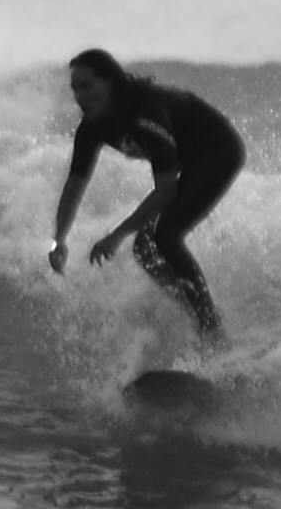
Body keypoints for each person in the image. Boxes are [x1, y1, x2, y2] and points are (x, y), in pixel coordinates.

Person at [47, 48, 244, 340]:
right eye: (75, 89)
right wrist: (59, 239)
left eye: (87, 86)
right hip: (190, 160)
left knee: (165, 235)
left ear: (111, 82)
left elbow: (166, 191)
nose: (79, 96)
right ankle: (200, 314)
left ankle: (210, 326)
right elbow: (74, 184)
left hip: (219, 151)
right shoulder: (91, 127)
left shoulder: (144, 115)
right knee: (145, 248)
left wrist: (116, 235)